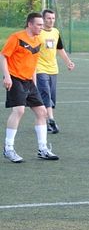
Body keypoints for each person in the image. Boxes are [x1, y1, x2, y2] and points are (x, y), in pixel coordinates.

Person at [1, 12, 59, 163]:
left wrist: (34, 83)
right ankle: (8, 148)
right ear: (30, 24)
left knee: (42, 112)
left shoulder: (38, 41)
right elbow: (3, 56)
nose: (41, 27)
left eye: (42, 25)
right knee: (19, 110)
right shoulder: (17, 37)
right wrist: (7, 76)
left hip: (29, 81)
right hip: (15, 78)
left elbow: (33, 64)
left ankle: (43, 149)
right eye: (39, 25)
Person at [37, 9, 75, 134]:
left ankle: (44, 121)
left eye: (53, 18)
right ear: (43, 19)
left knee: (51, 97)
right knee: (45, 94)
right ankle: (51, 120)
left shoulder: (56, 32)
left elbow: (60, 49)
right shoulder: (38, 33)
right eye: (48, 18)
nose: (51, 20)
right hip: (40, 69)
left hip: (53, 69)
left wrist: (68, 62)